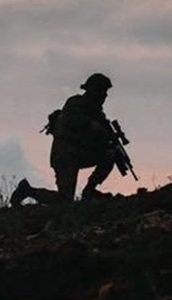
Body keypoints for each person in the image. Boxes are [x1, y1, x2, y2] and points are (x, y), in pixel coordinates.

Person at [12, 73, 117, 206]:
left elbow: (97, 138)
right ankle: (27, 190)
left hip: (79, 154)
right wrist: (92, 125)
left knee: (109, 156)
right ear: (93, 91)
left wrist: (106, 138)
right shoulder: (75, 103)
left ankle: (89, 191)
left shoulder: (97, 113)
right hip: (65, 156)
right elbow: (72, 121)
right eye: (102, 91)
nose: (105, 96)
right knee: (65, 201)